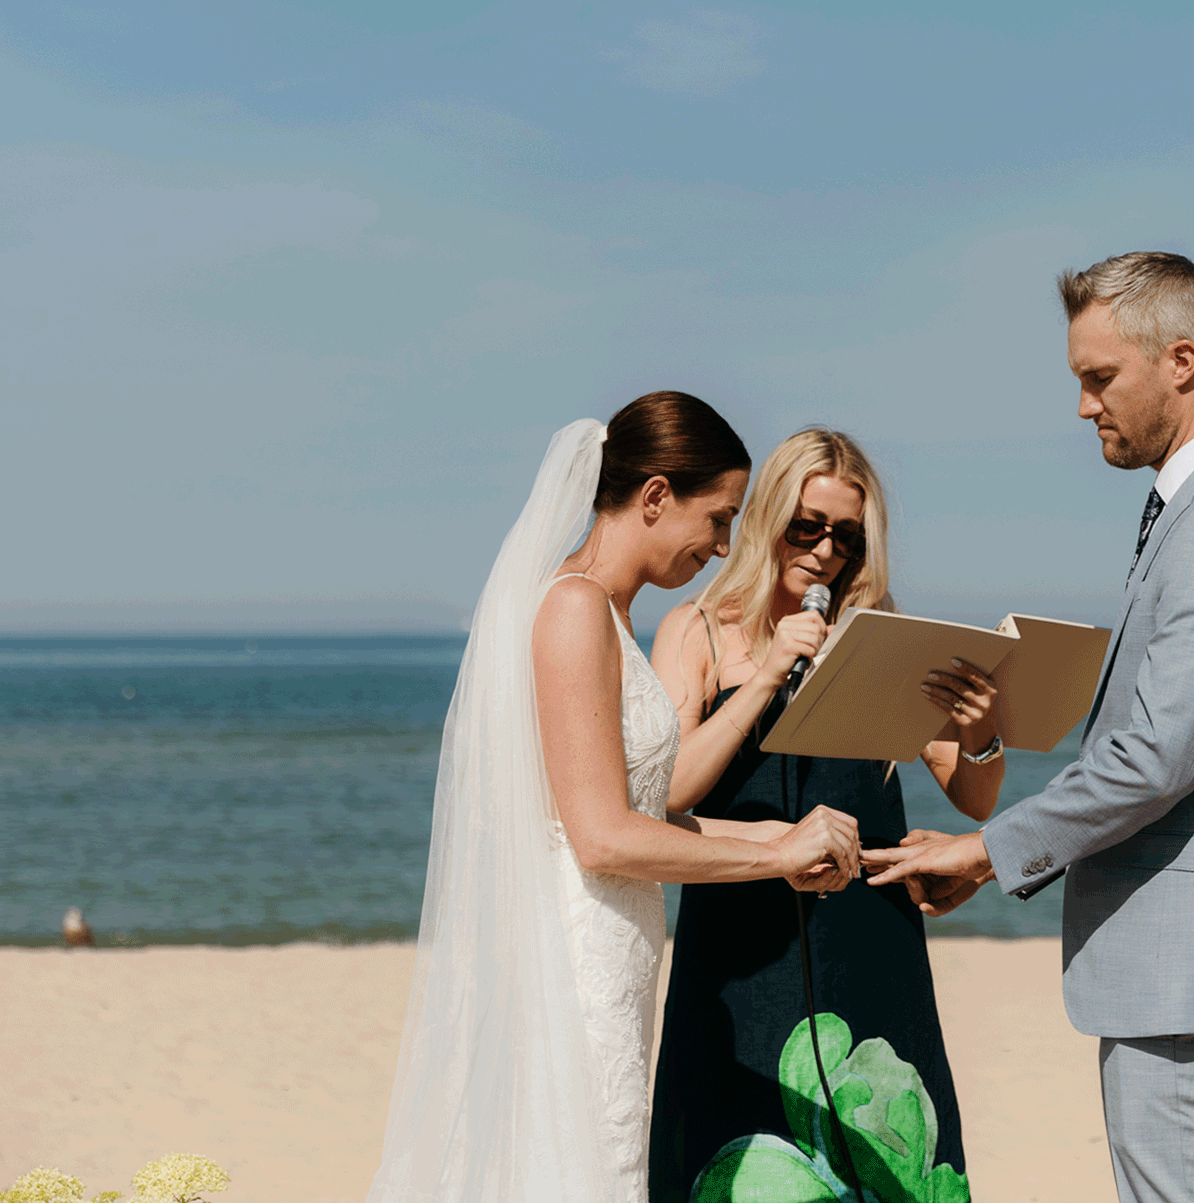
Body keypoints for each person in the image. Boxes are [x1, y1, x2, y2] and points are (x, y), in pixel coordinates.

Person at [866, 253, 1194, 1203]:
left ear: (1180, 361)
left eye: (1099, 378)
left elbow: (1153, 759)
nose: (1084, 406)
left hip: (1190, 969)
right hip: (1188, 967)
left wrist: (988, 850)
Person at [368, 393, 862, 1203]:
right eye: (718, 517)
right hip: (573, 960)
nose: (724, 544)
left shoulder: (609, 614)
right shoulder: (572, 610)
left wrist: (776, 834)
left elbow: (635, 804)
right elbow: (599, 836)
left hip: (617, 953)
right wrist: (772, 854)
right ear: (657, 496)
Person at [646, 428, 1002, 1203]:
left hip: (874, 945)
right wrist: (771, 668)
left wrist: (981, 732)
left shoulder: (881, 640)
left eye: (846, 535)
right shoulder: (697, 629)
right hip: (741, 947)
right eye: (807, 526)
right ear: (767, 517)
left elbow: (974, 797)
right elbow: (671, 788)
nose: (826, 551)